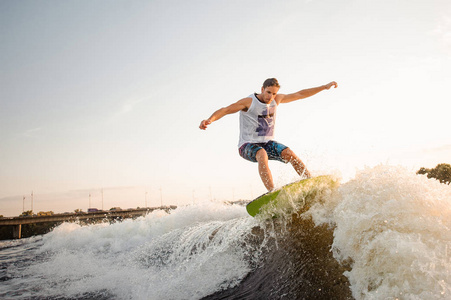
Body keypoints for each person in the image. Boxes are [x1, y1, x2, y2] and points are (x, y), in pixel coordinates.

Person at [199, 78, 338, 191]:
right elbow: (226, 109)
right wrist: (209, 120)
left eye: (274, 93)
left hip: (267, 143)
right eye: (268, 92)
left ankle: (310, 182)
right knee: (262, 154)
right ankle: (273, 192)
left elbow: (300, 94)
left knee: (289, 153)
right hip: (246, 145)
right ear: (262, 89)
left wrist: (324, 87)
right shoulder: (249, 102)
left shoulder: (276, 100)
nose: (271, 96)